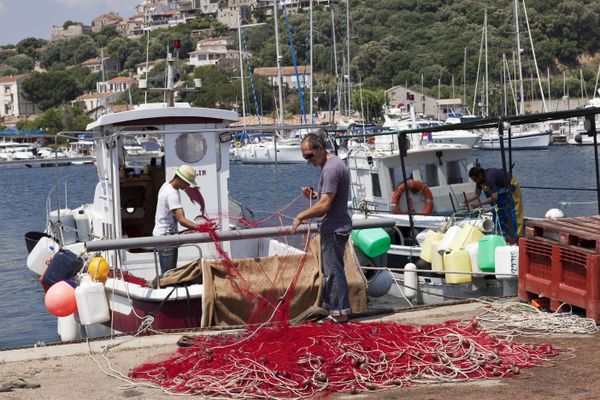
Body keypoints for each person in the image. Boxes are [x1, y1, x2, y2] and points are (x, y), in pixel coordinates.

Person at [291, 133, 353, 323]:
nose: (308, 161)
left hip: (334, 229)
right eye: (305, 158)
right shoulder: (332, 164)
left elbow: (325, 205)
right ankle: (332, 310)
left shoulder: (330, 170)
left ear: (319, 148)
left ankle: (340, 313)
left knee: (334, 272)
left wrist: (301, 216)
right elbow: (327, 197)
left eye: (310, 155)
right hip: (336, 226)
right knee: (331, 272)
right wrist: (314, 195)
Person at [153, 165, 203, 274]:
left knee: (168, 274)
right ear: (179, 179)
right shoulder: (172, 193)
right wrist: (201, 227)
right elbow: (182, 220)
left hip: (162, 235)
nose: (188, 186)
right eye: (187, 182)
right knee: (169, 276)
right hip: (166, 238)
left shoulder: (166, 185)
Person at [465, 166, 523, 240]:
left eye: (475, 179)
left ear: (479, 175)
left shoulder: (489, 177)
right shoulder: (479, 180)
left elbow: (495, 197)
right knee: (499, 213)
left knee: (514, 213)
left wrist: (479, 204)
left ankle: (517, 237)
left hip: (511, 187)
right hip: (500, 193)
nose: (475, 181)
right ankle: (502, 236)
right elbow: (477, 194)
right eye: (473, 180)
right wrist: (467, 200)